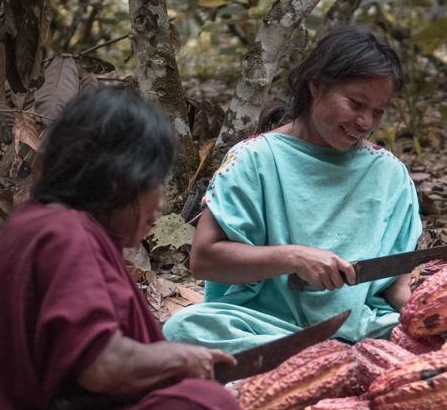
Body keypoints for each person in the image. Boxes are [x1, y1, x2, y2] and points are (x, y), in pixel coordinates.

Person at [0, 86, 300, 410]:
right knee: (196, 407)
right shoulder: (65, 235)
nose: (161, 203)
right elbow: (102, 367)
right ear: (119, 180)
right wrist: (183, 359)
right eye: (156, 183)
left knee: (197, 403)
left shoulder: (42, 223)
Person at [163, 26, 422, 353]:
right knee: (183, 329)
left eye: (378, 112)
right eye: (356, 104)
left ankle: (329, 363)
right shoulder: (254, 159)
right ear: (317, 85)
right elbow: (204, 260)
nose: (366, 122)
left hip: (360, 330)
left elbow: (396, 287)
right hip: (267, 328)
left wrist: (429, 319)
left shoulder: (389, 173)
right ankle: (337, 364)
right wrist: (293, 258)